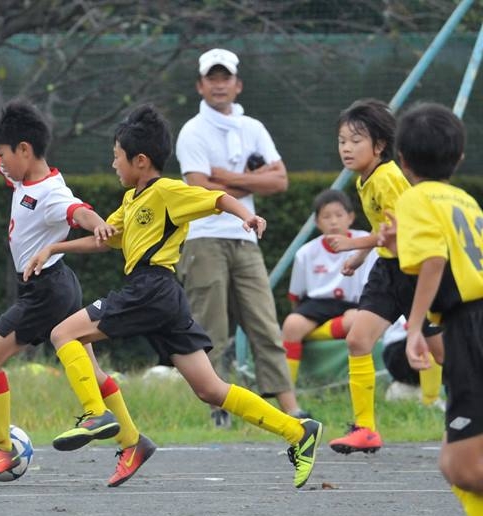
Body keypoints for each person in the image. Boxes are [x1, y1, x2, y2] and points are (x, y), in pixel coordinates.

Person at [24, 104, 323, 489]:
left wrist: (244, 217)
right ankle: (298, 432)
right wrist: (53, 249)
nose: (113, 164)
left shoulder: (165, 191)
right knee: (209, 389)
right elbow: (106, 240)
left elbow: (214, 198)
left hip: (151, 288)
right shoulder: (131, 202)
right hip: (163, 297)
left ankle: (95, 414)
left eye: (117, 157)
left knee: (63, 335)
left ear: (141, 160)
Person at [0, 100, 156, 487]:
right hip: (56, 284)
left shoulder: (49, 192)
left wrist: (98, 225)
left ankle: (1, 449)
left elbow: (77, 210)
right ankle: (133, 442)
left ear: (24, 150)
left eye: (4, 154)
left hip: (46, 292)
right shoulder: (21, 176)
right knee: (93, 373)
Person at [175, 48, 307, 429]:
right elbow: (198, 186)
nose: (219, 85)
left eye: (225, 77)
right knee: (209, 327)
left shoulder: (254, 127)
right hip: (204, 238)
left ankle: (291, 409)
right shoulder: (192, 131)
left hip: (247, 235)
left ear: (238, 84)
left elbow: (280, 181)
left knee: (264, 322)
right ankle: (215, 410)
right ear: (201, 85)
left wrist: (226, 177)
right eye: (212, 78)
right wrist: (250, 182)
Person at [390, 102, 483, 516]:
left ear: (402, 158)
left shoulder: (415, 196)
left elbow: (431, 259)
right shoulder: (463, 199)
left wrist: (414, 327)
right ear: (460, 155)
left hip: (468, 327)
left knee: (459, 465)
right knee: (456, 461)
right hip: (474, 320)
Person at [323, 99, 444, 454]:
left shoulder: (389, 177)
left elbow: (402, 229)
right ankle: (366, 429)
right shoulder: (366, 178)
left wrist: (351, 243)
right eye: (342, 139)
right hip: (388, 270)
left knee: (446, 354)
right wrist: (361, 256)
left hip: (415, 270)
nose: (346, 147)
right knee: (358, 340)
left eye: (356, 140)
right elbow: (383, 227)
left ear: (378, 146)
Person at [282, 189, 376, 385]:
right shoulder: (306, 252)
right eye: (326, 216)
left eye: (339, 215)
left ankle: (312, 335)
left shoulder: (365, 242)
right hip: (316, 305)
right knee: (291, 325)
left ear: (350, 217)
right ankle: (287, 387)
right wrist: (299, 317)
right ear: (317, 223)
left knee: (356, 321)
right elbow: (296, 297)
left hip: (352, 305)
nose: (333, 221)